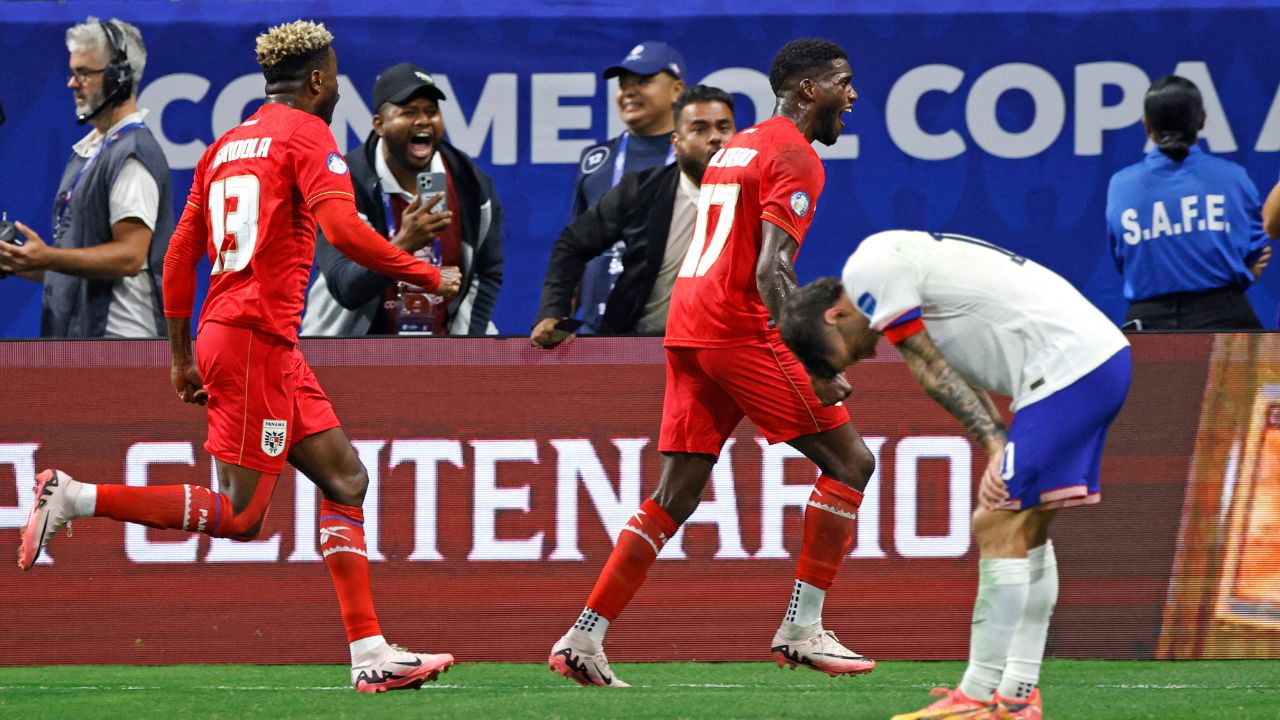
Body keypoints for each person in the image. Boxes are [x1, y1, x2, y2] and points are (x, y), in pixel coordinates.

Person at [18, 20, 462, 694]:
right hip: (254, 340)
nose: (337, 83)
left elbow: (176, 258)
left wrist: (178, 355)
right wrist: (426, 274)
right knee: (242, 516)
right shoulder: (308, 135)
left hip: (249, 339)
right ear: (318, 80)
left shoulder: (224, 146)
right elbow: (343, 229)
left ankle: (370, 652)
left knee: (345, 478)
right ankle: (75, 496)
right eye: (335, 73)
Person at [548, 38, 868, 688]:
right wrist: (813, 358)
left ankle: (584, 635)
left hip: (688, 325)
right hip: (733, 325)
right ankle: (802, 627)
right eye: (843, 82)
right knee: (851, 461)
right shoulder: (795, 156)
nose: (852, 95)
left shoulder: (741, 144)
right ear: (808, 90)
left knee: (676, 493)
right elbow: (771, 267)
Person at [779, 230, 1133, 720]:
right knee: (1026, 531)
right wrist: (995, 439)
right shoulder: (887, 276)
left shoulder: (870, 270)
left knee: (995, 522)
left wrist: (994, 444)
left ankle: (978, 696)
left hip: (1067, 371)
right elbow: (937, 369)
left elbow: (932, 365)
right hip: (1088, 362)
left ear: (835, 314)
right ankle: (1016, 696)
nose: (862, 358)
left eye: (847, 352)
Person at [300, 62, 504, 336]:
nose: (423, 120)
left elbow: (487, 271)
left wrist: (469, 343)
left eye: (431, 111)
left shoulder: (470, 183)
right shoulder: (343, 185)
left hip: (441, 349)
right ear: (379, 125)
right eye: (409, 112)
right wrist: (403, 244)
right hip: (350, 352)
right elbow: (345, 287)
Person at [0, 17, 173, 338]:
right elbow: (72, 267)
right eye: (72, 72)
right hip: (81, 340)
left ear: (118, 78)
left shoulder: (132, 152)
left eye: (83, 73)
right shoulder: (90, 151)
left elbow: (130, 256)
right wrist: (18, 260)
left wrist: (49, 256)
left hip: (120, 344)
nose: (71, 83)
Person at [531, 85, 735, 345]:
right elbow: (572, 244)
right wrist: (553, 312)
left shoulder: (756, 193)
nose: (715, 137)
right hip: (643, 345)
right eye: (700, 129)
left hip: (729, 346)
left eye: (724, 127)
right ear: (676, 143)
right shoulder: (640, 191)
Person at [1105, 75, 1271, 330]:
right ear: (1202, 119)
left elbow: (1122, 259)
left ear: (1146, 126)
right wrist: (1244, 272)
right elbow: (1256, 251)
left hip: (1148, 329)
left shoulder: (1121, 185)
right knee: (1255, 372)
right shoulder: (1234, 177)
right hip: (1227, 324)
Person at [570, 41, 687, 335]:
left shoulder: (697, 161)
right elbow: (576, 248)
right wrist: (559, 316)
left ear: (677, 90)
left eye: (643, 81)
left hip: (673, 333)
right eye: (623, 84)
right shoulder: (595, 161)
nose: (629, 91)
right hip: (598, 334)